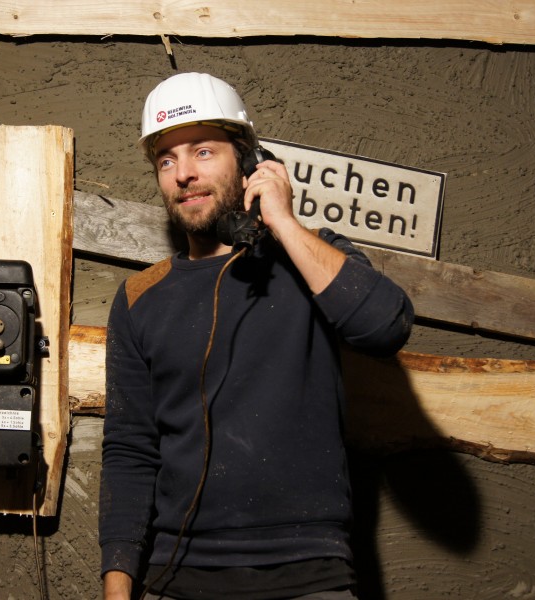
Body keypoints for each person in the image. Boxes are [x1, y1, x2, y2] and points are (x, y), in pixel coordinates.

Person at [99, 72, 414, 600]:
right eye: (167, 160)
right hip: (176, 579)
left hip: (310, 575)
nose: (183, 174)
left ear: (247, 159)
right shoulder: (139, 298)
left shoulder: (312, 262)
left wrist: (284, 224)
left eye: (202, 151)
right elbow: (130, 453)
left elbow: (387, 327)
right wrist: (116, 592)